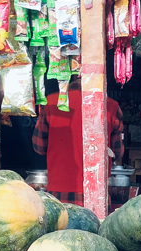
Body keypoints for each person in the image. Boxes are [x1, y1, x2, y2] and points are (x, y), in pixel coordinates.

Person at [32, 76, 124, 205]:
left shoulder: (50, 102)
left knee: (62, 224)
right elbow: (117, 152)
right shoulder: (111, 105)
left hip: (59, 189)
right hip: (97, 190)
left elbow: (39, 147)